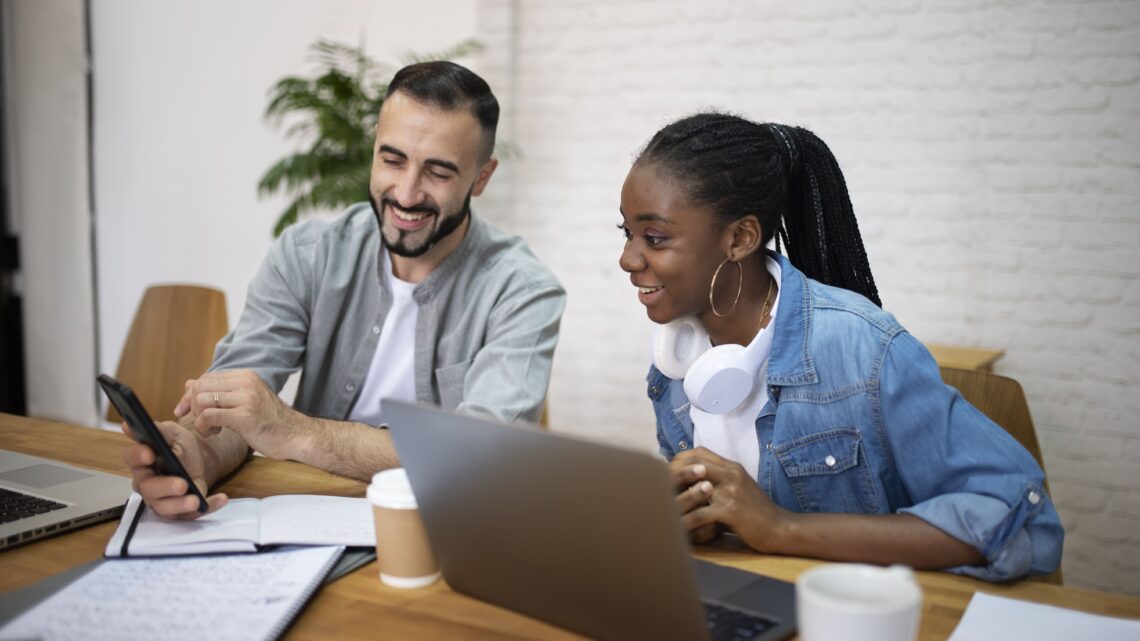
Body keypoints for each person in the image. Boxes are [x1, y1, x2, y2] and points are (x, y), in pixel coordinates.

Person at [617, 112, 1062, 581]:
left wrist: (781, 528)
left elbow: (1019, 518)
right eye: (626, 233)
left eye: (656, 237)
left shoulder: (863, 350)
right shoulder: (675, 359)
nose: (627, 258)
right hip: (745, 601)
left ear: (740, 238)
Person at [123, 61, 565, 519]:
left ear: (481, 177)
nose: (407, 194)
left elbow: (476, 460)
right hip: (305, 514)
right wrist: (197, 454)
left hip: (437, 527)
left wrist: (292, 430)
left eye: (438, 172)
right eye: (392, 160)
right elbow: (232, 417)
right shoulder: (308, 253)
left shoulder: (523, 291)